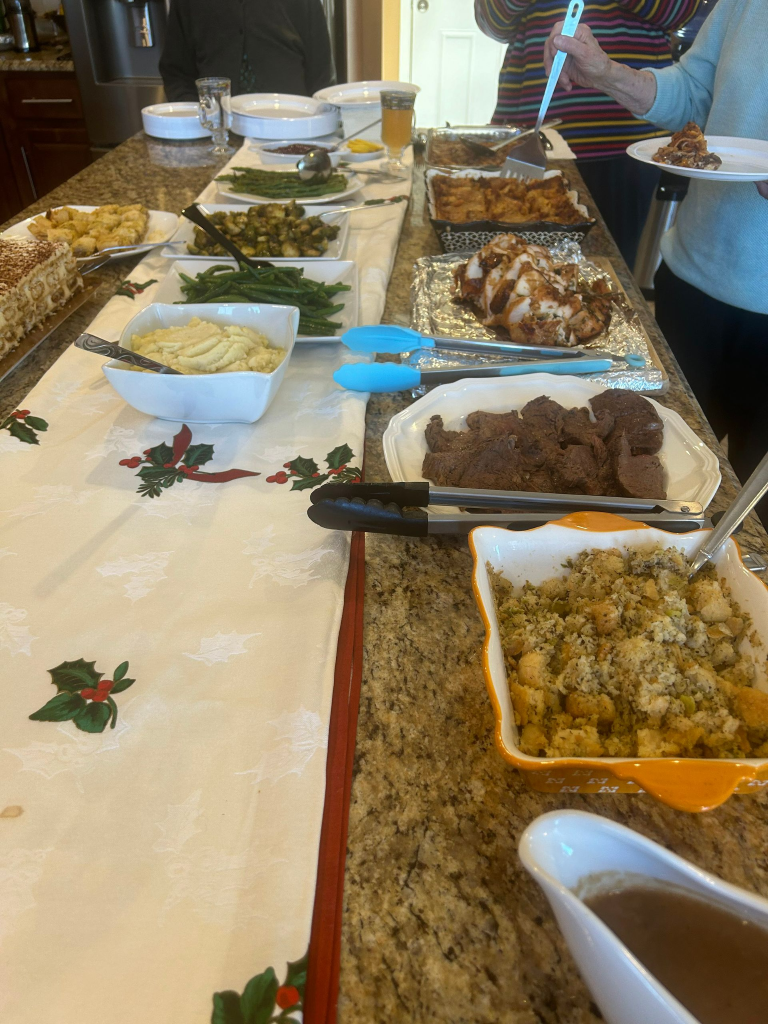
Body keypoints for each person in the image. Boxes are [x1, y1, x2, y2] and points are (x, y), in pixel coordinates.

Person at [543, 0, 768, 522]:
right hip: (693, 281)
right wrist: (606, 72)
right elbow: (694, 94)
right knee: (652, 474)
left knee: (752, 523)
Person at [474, 0, 702, 267]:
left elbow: (680, 13)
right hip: (527, 130)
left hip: (626, 136)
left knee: (608, 274)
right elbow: (492, 22)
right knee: (505, 262)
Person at [160, 0, 334, 102]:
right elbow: (176, 72)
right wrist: (197, 120)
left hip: (290, 124)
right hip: (216, 132)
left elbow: (320, 73)